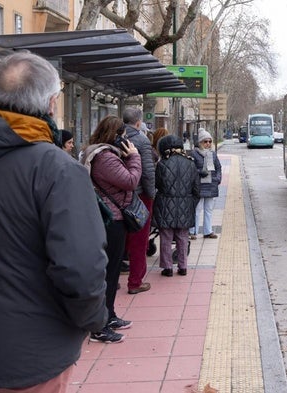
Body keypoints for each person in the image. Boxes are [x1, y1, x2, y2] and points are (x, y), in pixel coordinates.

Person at [0, 52, 108, 392]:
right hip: (33, 354)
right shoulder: (56, 169)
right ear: (52, 103)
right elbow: (80, 269)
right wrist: (92, 320)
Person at [80, 115, 141, 343]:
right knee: (108, 273)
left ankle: (109, 315)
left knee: (113, 271)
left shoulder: (103, 153)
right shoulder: (105, 157)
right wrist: (134, 158)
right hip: (110, 220)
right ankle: (100, 326)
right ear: (115, 136)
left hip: (109, 218)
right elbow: (131, 181)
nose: (126, 141)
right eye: (123, 137)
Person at [153, 134, 200, 276]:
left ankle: (167, 268)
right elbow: (197, 189)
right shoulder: (190, 163)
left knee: (166, 237)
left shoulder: (162, 164)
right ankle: (183, 266)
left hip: (165, 203)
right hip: (186, 204)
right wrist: (191, 203)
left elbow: (157, 184)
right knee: (182, 237)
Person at [122, 107, 156, 294]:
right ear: (138, 122)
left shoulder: (114, 137)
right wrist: (151, 195)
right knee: (139, 239)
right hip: (139, 195)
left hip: (116, 194)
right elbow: (148, 173)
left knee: (120, 237)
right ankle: (135, 281)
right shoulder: (142, 141)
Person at [190, 128, 222, 239]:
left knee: (208, 209)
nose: (208, 144)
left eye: (209, 141)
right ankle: (193, 231)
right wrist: (200, 173)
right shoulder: (194, 154)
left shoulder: (212, 154)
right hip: (199, 185)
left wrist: (217, 178)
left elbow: (218, 167)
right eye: (205, 141)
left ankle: (208, 231)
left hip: (211, 185)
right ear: (200, 142)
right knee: (197, 209)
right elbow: (191, 169)